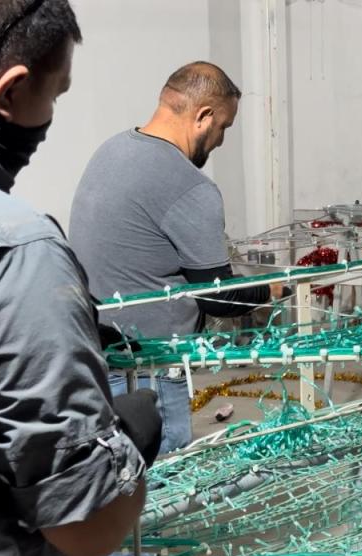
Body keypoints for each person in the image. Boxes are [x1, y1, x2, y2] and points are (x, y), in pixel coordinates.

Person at [0, 1, 159, 556]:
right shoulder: (10, 253)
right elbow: (87, 529)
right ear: (10, 92)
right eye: (56, 94)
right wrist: (128, 445)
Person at [71, 62, 281, 461]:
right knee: (161, 482)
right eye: (224, 128)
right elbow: (219, 298)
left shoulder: (111, 150)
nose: (220, 141)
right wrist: (273, 287)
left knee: (117, 481)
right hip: (152, 368)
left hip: (98, 357)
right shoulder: (190, 186)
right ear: (204, 117)